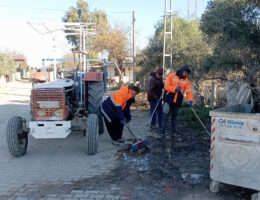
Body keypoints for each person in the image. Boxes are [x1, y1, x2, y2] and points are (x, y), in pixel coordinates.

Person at [159, 65, 193, 139]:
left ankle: (173, 133)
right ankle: (162, 134)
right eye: (185, 73)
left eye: (187, 73)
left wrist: (190, 100)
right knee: (165, 117)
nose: (186, 74)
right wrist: (174, 89)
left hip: (177, 102)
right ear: (181, 71)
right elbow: (166, 86)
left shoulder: (186, 81)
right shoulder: (171, 76)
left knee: (174, 118)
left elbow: (189, 91)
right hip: (168, 100)